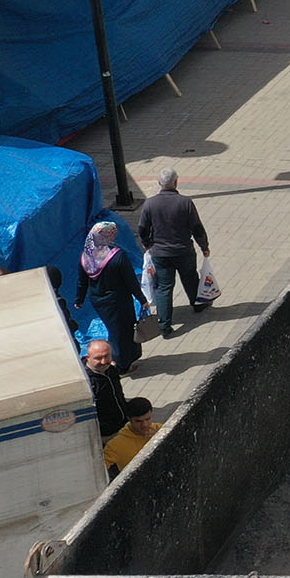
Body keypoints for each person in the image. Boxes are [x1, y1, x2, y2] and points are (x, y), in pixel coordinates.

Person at [137, 168, 212, 339]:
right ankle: (198, 303)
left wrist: (148, 244)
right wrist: (204, 246)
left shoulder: (150, 204)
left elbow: (142, 228)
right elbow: (196, 227)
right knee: (190, 278)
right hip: (183, 250)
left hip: (160, 254)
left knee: (164, 287)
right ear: (176, 182)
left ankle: (164, 325)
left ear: (159, 184)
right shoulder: (185, 202)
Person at [77, 221, 145, 374]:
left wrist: (79, 300)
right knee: (123, 332)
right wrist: (142, 299)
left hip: (99, 301)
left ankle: (120, 359)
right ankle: (121, 365)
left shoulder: (87, 256)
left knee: (114, 330)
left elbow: (82, 281)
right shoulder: (117, 256)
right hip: (119, 301)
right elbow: (131, 281)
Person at [82, 338, 132, 439]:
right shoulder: (85, 381)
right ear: (88, 357)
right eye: (98, 358)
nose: (104, 361)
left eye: (107, 356)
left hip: (123, 424)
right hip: (106, 434)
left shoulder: (111, 369)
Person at [103, 398, 161, 474]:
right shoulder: (116, 445)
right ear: (129, 419)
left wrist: (161, 438)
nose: (145, 425)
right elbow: (98, 470)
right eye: (138, 421)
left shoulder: (161, 430)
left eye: (148, 419)